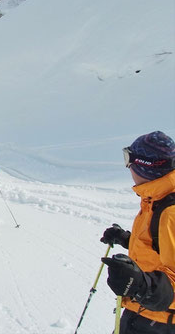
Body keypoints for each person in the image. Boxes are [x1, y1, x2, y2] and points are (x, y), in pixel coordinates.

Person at [100, 131, 175, 333]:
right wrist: (127, 240)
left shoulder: (170, 212)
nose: (128, 167)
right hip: (144, 311)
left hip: (159, 322)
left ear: (145, 166)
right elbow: (160, 248)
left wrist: (143, 286)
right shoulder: (155, 198)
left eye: (129, 160)